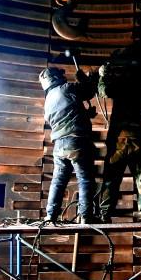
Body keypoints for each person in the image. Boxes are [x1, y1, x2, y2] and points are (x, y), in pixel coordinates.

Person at [96, 49, 141, 223]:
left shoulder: (120, 83)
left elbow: (104, 91)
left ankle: (105, 214)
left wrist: (103, 76)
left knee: (111, 178)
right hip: (138, 138)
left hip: (119, 140)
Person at [40, 66, 98, 224]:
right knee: (85, 179)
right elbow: (89, 91)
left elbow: (65, 115)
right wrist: (85, 78)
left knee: (58, 181)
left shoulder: (48, 100)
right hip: (76, 141)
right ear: (56, 77)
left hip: (59, 145)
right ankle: (86, 216)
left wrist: (86, 114)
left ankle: (51, 216)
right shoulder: (66, 88)